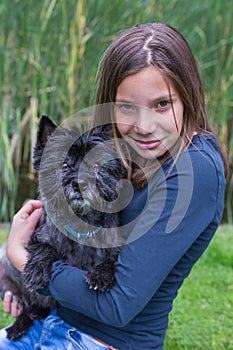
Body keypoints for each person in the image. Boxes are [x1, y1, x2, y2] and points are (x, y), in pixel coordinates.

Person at [1, 22, 227, 349]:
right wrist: (13, 276)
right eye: (126, 107)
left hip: (100, 342)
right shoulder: (125, 147)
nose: (144, 126)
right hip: (52, 323)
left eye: (162, 104)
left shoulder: (194, 171)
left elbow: (117, 304)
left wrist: (23, 259)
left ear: (188, 96)